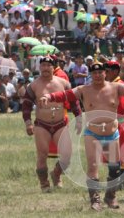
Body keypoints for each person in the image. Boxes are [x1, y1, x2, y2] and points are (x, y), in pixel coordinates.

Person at [39, 62, 124, 211]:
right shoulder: (84, 89)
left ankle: (110, 196)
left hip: (112, 133)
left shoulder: (115, 87)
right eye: (94, 73)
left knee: (115, 168)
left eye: (100, 72)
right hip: (92, 133)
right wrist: (49, 96)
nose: (97, 75)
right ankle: (95, 201)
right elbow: (66, 95)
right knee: (93, 167)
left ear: (105, 73)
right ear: (91, 75)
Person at [22, 56, 82, 192]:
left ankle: (56, 174)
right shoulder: (33, 85)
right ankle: (44, 184)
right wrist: (28, 123)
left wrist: (78, 119)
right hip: (42, 125)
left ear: (53, 67)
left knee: (67, 156)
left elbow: (74, 102)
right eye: (42, 65)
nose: (45, 68)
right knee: (42, 154)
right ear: (39, 67)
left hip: (60, 123)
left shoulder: (63, 83)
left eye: (48, 65)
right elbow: (26, 106)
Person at [104, 61, 124, 190]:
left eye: (107, 71)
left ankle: (121, 182)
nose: (105, 73)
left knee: (121, 153)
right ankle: (113, 179)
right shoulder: (107, 85)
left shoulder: (121, 86)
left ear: (115, 71)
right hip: (107, 124)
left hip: (118, 124)